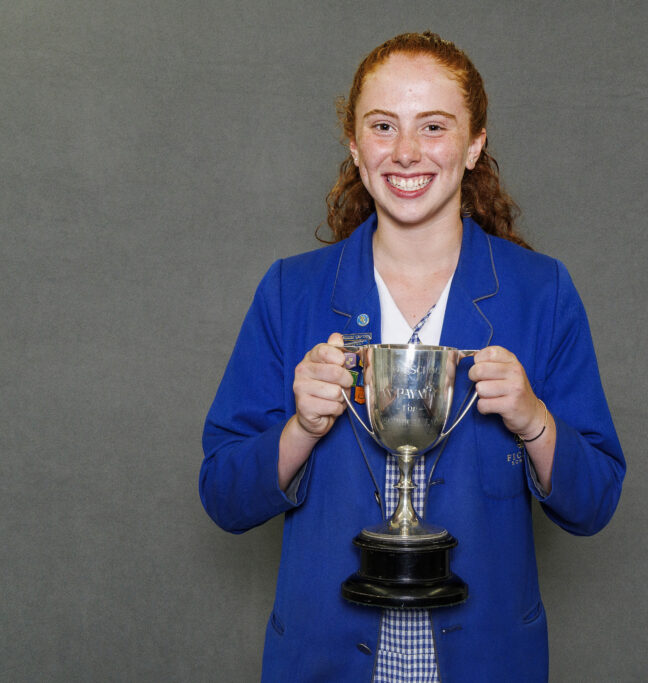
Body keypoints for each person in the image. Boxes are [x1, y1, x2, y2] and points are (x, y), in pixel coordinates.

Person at [200, 31, 625, 682]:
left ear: (475, 142)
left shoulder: (543, 294)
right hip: (321, 661)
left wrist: (536, 419)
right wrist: (299, 429)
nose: (405, 152)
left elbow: (594, 502)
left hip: (488, 662)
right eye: (382, 125)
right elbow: (223, 496)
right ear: (354, 143)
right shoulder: (291, 291)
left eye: (433, 126)